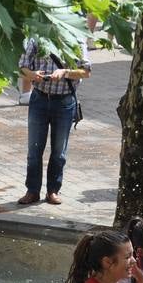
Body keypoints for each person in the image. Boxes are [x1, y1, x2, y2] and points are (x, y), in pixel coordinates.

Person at [17, 36, 91, 206]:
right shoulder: (36, 37)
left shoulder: (75, 37)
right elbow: (22, 67)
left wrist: (65, 72)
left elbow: (86, 72)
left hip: (64, 101)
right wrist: (33, 75)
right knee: (34, 150)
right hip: (39, 99)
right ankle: (32, 190)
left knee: (59, 152)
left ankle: (53, 190)